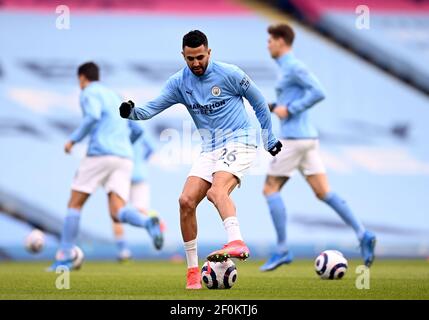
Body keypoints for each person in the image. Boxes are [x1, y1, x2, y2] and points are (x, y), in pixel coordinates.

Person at [119, 30, 282, 289]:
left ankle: (237, 240)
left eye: (200, 57)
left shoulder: (230, 74)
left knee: (217, 192)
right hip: (211, 148)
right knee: (185, 201)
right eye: (190, 58)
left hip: (241, 141)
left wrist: (268, 138)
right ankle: (193, 272)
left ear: (209, 52)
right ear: (183, 56)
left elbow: (259, 102)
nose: (196, 63)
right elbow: (152, 108)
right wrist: (132, 112)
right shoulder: (179, 83)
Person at [260, 23, 376, 272]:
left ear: (281, 41)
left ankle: (281, 250)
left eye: (270, 40)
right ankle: (363, 233)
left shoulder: (293, 66)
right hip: (307, 139)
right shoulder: (285, 69)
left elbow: (319, 92)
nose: (267, 44)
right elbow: (289, 100)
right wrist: (275, 106)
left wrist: (290, 109)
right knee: (323, 192)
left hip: (293, 139)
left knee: (270, 189)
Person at [48, 62, 163, 271]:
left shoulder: (88, 92)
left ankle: (64, 255)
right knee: (117, 212)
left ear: (82, 78)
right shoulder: (115, 95)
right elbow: (137, 130)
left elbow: (92, 116)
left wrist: (73, 140)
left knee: (75, 204)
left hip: (99, 154)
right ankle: (147, 223)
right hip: (124, 158)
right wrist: (122, 144)